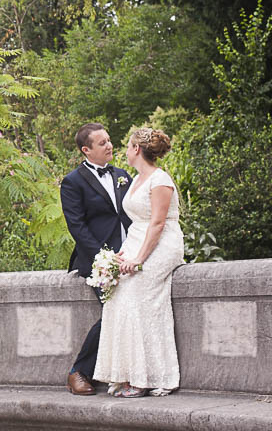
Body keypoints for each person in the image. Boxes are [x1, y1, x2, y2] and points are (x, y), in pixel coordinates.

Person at [93, 127, 184, 398]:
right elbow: (136, 223)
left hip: (162, 243)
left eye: (128, 146)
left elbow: (157, 224)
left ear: (136, 149)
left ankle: (148, 377)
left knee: (136, 294)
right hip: (136, 241)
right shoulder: (134, 180)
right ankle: (126, 373)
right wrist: (121, 256)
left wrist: (139, 259)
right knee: (117, 296)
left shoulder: (160, 180)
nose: (124, 150)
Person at [61, 123, 133, 396]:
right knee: (115, 311)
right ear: (86, 150)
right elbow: (77, 227)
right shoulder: (73, 182)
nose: (109, 146)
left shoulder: (122, 175)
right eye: (102, 143)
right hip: (98, 262)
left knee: (129, 311)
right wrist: (105, 258)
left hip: (131, 257)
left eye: (109, 140)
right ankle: (78, 372)